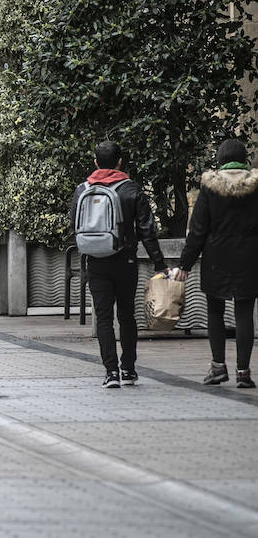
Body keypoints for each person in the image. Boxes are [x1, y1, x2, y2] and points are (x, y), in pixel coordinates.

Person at [70, 140, 165, 388]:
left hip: (95, 261)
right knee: (126, 315)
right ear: (120, 161)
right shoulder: (131, 189)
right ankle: (129, 369)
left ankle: (110, 372)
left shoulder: (82, 190)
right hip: (125, 259)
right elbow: (147, 230)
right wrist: (159, 262)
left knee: (102, 317)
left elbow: (74, 226)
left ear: (95, 163)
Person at [176, 139, 258, 388]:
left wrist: (185, 264)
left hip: (216, 257)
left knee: (215, 311)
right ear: (244, 159)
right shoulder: (256, 187)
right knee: (245, 313)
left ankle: (218, 367)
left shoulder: (210, 188)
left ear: (220, 159)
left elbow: (198, 230)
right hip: (250, 256)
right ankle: (243, 372)